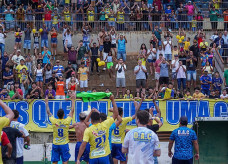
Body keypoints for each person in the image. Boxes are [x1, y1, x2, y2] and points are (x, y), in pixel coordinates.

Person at [76, 95, 118, 164]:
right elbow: (116, 114)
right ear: (100, 119)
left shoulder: (89, 129)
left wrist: (78, 158)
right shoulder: (105, 124)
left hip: (93, 157)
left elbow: (83, 145)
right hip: (104, 155)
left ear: (91, 121)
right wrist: (113, 100)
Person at [45, 95, 75, 164]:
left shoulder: (54, 121)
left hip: (56, 144)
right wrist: (73, 100)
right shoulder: (67, 121)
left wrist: (46, 103)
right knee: (65, 160)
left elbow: (48, 112)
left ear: (57, 115)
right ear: (64, 115)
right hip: (64, 144)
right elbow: (72, 111)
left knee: (55, 161)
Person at [111, 99, 141, 164]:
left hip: (112, 142)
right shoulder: (124, 120)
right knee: (122, 159)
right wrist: (136, 107)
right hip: (120, 143)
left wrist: (113, 111)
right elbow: (134, 116)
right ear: (122, 113)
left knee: (114, 157)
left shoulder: (111, 120)